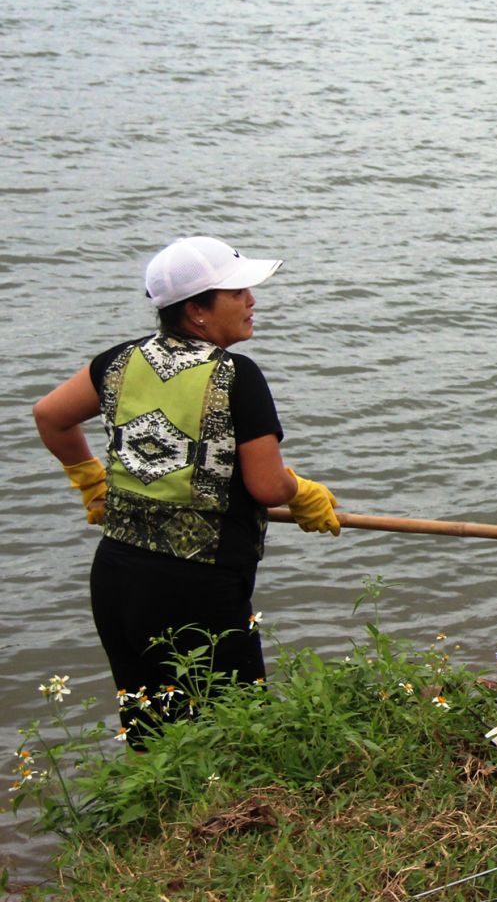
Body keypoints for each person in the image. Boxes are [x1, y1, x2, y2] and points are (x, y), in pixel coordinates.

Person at [33, 236, 342, 746]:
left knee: (153, 737)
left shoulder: (118, 362)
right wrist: (302, 491)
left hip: (117, 578)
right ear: (196, 310)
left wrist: (90, 478)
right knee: (238, 735)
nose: (251, 300)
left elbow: (50, 416)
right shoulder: (236, 375)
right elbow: (266, 485)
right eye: (237, 292)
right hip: (199, 587)